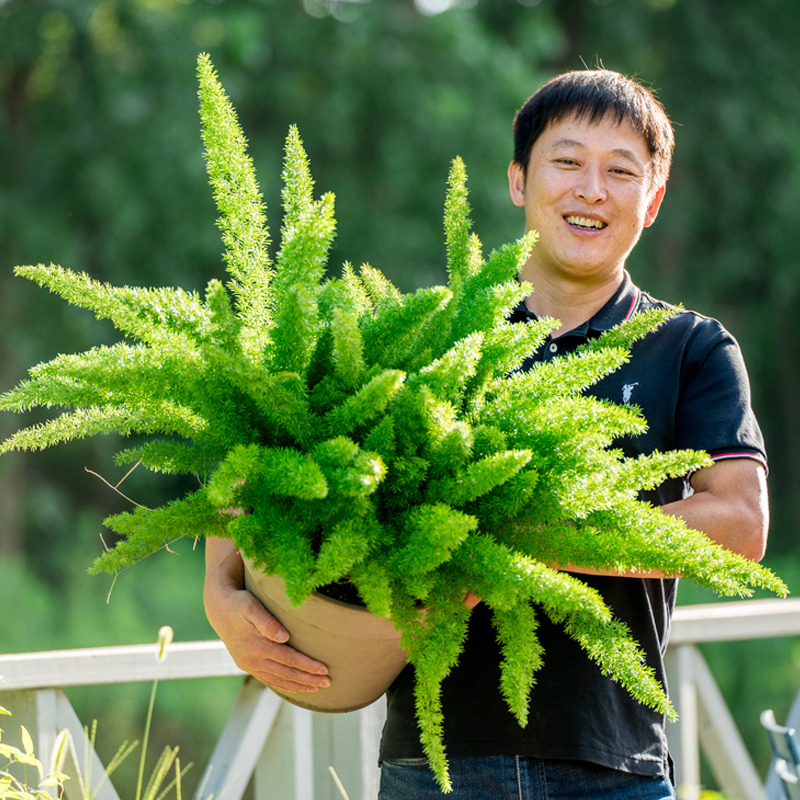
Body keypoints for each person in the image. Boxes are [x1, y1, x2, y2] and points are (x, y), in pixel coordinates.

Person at [204, 69, 769, 799]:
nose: (590, 189)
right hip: (433, 768)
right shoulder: (434, 332)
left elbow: (741, 524)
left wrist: (523, 542)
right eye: (566, 162)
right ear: (517, 181)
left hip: (612, 768)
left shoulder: (688, 346)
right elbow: (259, 443)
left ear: (652, 200)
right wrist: (222, 590)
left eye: (620, 171)